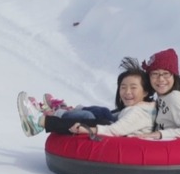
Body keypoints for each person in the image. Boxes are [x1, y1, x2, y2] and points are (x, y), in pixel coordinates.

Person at [18, 57, 156, 138]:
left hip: (121, 137)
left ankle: (40, 122)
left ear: (145, 92)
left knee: (88, 117)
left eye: (133, 87)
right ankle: (64, 110)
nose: (127, 92)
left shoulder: (138, 112)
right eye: (123, 87)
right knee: (104, 112)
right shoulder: (143, 106)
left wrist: (91, 130)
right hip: (122, 127)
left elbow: (116, 130)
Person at [134, 48, 180, 140]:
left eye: (166, 73)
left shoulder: (175, 97)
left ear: (174, 76)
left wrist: (160, 134)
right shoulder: (161, 99)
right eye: (155, 73)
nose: (161, 79)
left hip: (170, 150)